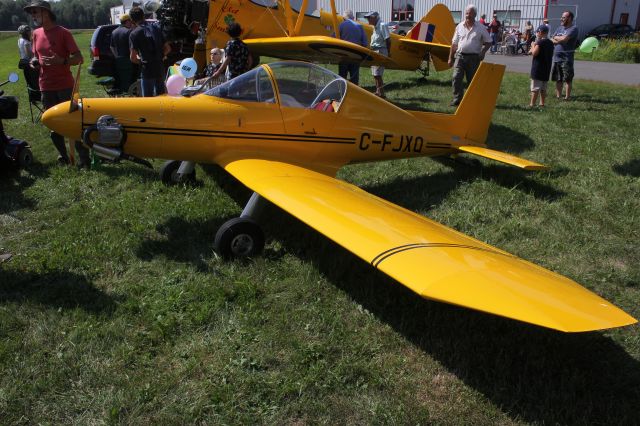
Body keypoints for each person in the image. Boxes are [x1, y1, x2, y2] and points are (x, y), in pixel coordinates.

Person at [24, 0, 90, 167]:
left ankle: (84, 159)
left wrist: (62, 61)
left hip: (65, 86)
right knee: (53, 124)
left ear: (46, 13)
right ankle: (64, 157)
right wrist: (34, 62)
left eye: (35, 12)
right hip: (46, 86)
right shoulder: (36, 34)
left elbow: (79, 58)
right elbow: (35, 56)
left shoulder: (63, 33)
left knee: (74, 124)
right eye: (31, 13)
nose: (33, 16)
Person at [447, 4, 491, 106]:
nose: (468, 15)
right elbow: (454, 44)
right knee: (456, 77)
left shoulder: (481, 27)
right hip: (460, 56)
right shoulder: (459, 26)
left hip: (473, 58)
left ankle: (473, 100)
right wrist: (450, 58)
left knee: (472, 81)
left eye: (470, 14)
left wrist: (483, 52)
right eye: (466, 13)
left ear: (475, 15)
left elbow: (489, 41)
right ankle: (457, 99)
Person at [129, 6, 171, 97]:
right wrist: (161, 56)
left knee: (148, 100)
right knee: (162, 98)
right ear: (143, 16)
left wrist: (141, 62)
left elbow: (132, 58)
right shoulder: (157, 28)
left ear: (132, 20)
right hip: (159, 67)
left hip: (147, 69)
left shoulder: (134, 33)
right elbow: (168, 48)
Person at [551, 11, 578, 100]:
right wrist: (559, 39)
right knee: (558, 78)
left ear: (569, 18)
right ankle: (558, 96)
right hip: (557, 57)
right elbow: (552, 38)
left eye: (563, 17)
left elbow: (565, 39)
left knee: (567, 79)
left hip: (566, 58)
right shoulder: (559, 28)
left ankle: (567, 97)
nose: (561, 19)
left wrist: (558, 39)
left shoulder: (573, 29)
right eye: (562, 17)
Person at [337, 9, 367, 85]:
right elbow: (365, 43)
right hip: (356, 55)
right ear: (352, 17)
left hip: (344, 55)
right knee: (354, 77)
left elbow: (334, 38)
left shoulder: (341, 25)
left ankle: (342, 91)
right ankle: (354, 93)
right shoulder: (359, 26)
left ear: (344, 18)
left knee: (342, 76)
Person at [365, 11, 391, 98]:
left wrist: (388, 53)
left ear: (374, 17)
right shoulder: (375, 27)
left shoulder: (382, 25)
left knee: (378, 74)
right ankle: (378, 91)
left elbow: (388, 40)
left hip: (380, 51)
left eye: (369, 18)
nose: (367, 20)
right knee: (375, 73)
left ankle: (382, 94)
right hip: (375, 51)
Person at [528, 25, 554, 107]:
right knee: (543, 88)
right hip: (546, 67)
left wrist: (533, 45)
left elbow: (534, 53)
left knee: (535, 88)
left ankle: (532, 104)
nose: (537, 34)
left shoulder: (540, 42)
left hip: (538, 68)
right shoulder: (550, 43)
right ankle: (542, 103)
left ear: (540, 32)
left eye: (537, 32)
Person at [110, 13, 135, 93]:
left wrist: (116, 56)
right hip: (128, 59)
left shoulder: (114, 32)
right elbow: (132, 47)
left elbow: (112, 47)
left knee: (121, 79)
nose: (131, 23)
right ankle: (128, 95)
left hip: (118, 60)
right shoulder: (129, 31)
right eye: (130, 21)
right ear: (127, 21)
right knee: (129, 79)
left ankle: (122, 94)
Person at [17, 25, 40, 97]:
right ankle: (37, 95)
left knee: (30, 81)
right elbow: (29, 55)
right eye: (29, 31)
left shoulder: (20, 40)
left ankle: (33, 96)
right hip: (29, 63)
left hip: (24, 62)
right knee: (34, 80)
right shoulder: (26, 42)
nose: (30, 32)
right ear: (26, 33)